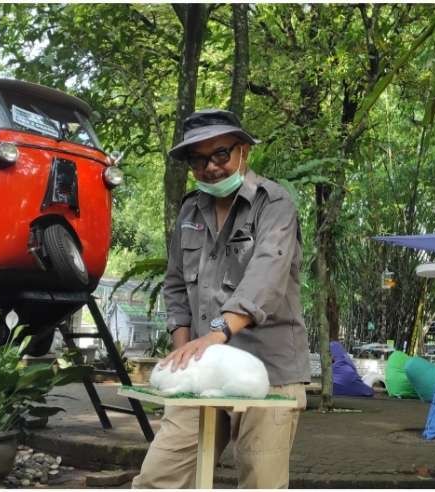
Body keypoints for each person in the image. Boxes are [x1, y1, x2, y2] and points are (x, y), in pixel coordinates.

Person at [132, 109, 310, 489]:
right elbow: (177, 284)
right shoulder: (189, 210)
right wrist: (183, 357)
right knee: (158, 478)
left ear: (243, 151)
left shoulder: (274, 205)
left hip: (270, 371)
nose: (210, 167)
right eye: (198, 159)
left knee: (261, 483)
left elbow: (266, 277)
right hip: (203, 369)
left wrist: (215, 334)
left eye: (220, 155)